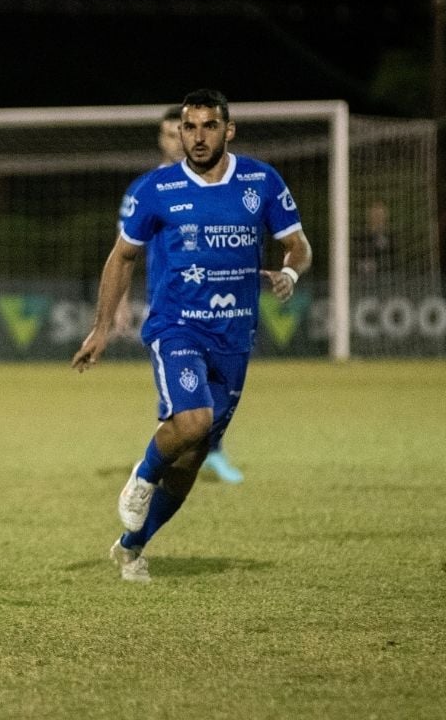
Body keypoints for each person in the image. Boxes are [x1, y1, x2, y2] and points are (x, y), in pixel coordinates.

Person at [72, 89, 312, 583]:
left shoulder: (261, 182)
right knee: (192, 421)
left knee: (192, 458)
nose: (198, 137)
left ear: (228, 130)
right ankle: (141, 477)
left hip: (236, 335)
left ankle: (132, 546)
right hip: (175, 326)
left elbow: (297, 246)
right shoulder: (153, 189)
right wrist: (101, 328)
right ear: (179, 132)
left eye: (208, 126)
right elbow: (121, 257)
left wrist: (290, 274)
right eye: (189, 127)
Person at [115, 105, 244, 485]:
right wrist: (119, 302)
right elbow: (123, 251)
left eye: (183, 132)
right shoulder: (146, 189)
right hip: (172, 306)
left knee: (217, 386)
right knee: (186, 386)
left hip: (222, 306)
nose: (181, 140)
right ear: (162, 139)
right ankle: (189, 452)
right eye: (171, 134)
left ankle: (204, 450)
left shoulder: (221, 183)